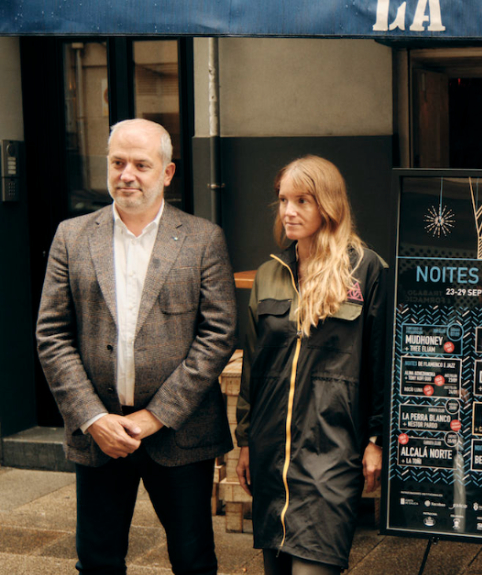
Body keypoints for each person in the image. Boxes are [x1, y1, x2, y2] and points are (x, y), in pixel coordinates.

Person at [36, 118, 237, 574]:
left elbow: (218, 335)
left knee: (193, 560)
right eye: (117, 162)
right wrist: (93, 418)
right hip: (99, 434)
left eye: (141, 164)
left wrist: (155, 416)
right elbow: (51, 334)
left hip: (180, 433)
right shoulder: (72, 236)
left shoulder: (203, 239)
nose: (127, 174)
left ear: (166, 173)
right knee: (98, 560)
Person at [235, 155, 389, 575]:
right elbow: (253, 366)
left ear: (328, 204)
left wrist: (377, 439)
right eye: (284, 200)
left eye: (302, 200)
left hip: (331, 452)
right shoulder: (270, 274)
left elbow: (380, 362)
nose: (288, 211)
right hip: (272, 455)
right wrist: (246, 441)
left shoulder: (365, 270)